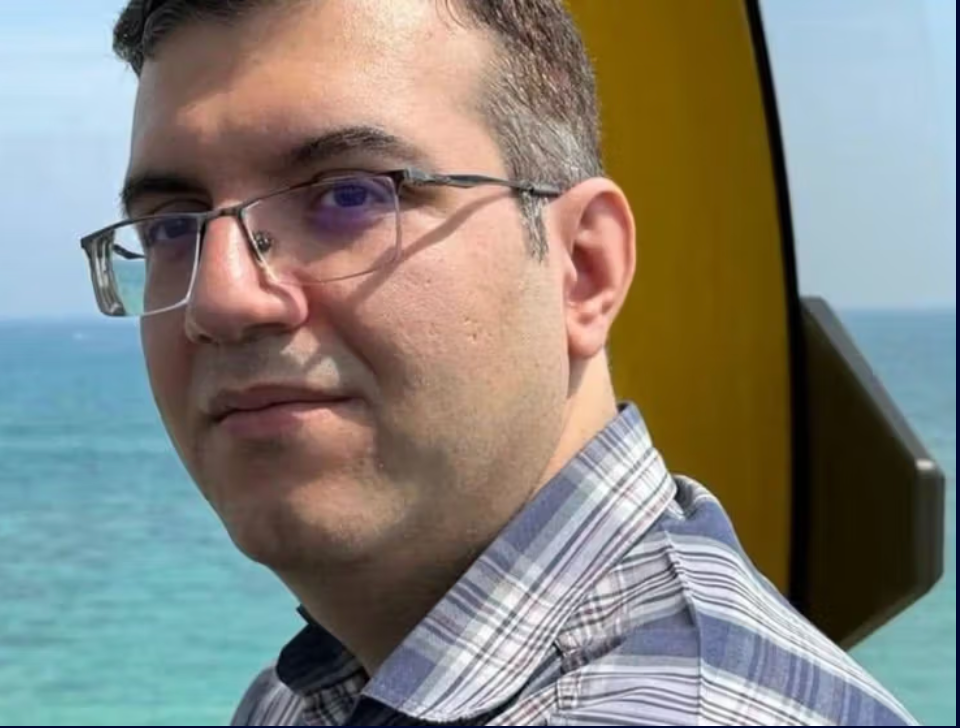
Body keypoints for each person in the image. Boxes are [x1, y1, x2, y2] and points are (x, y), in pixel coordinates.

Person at [84, 0, 919, 724]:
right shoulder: (308, 695)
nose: (222, 298)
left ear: (583, 268)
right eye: (173, 227)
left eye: (350, 195)